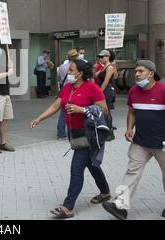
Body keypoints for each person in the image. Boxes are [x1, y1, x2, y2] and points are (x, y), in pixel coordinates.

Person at [29, 59, 110, 219]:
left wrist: (83, 109)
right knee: (93, 165)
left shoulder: (92, 88)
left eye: (72, 70)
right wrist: (39, 118)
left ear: (80, 73)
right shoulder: (67, 87)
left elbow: (104, 110)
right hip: (74, 133)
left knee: (76, 169)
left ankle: (68, 207)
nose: (69, 73)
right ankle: (105, 192)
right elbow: (55, 106)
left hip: (89, 134)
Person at [103, 60, 165, 220]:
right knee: (132, 171)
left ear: (151, 73)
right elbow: (132, 112)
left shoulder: (164, 90)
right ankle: (120, 205)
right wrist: (129, 128)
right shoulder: (133, 91)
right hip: (140, 142)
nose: (137, 74)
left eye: (141, 71)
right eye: (136, 71)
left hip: (163, 144)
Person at [56, 49, 79, 140]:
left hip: (64, 90)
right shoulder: (77, 67)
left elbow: (59, 78)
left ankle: (60, 133)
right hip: (74, 90)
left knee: (63, 113)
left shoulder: (62, 66)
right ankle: (72, 133)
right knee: (74, 112)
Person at [96, 50, 115, 140]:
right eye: (99, 57)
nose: (100, 58)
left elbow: (106, 82)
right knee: (104, 112)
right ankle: (108, 132)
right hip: (103, 90)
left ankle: (110, 133)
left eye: (102, 57)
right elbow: (95, 76)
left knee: (106, 111)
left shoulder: (110, 67)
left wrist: (99, 93)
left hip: (106, 90)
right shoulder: (104, 67)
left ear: (107, 57)